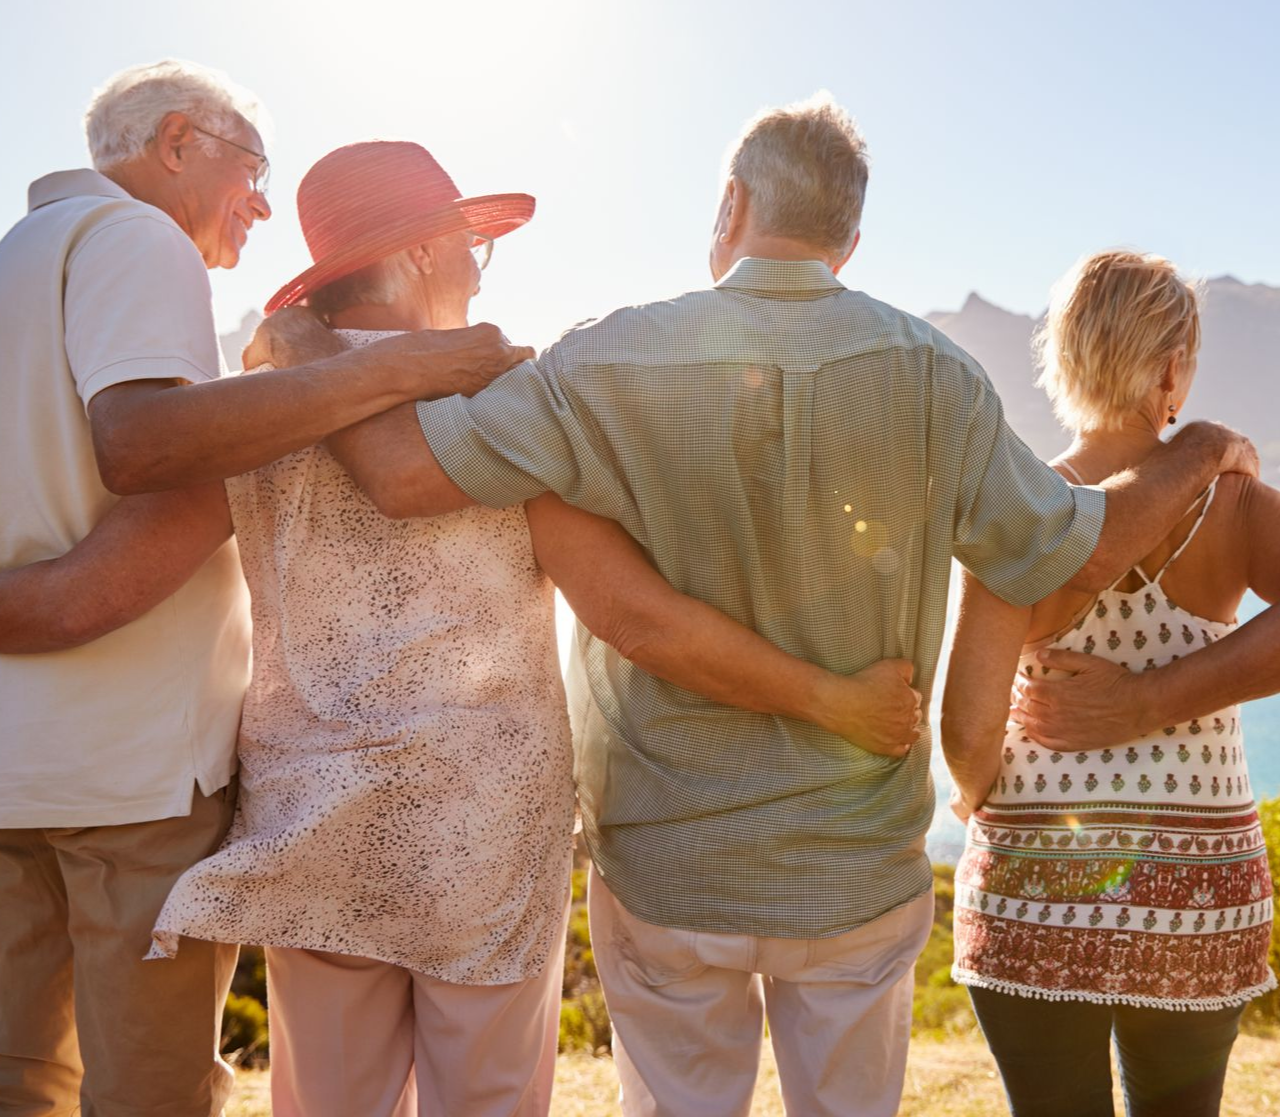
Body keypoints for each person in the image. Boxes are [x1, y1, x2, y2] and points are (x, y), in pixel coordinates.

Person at [251, 94, 1257, 1116]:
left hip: (665, 863)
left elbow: (406, 474)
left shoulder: (602, 360)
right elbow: (1067, 546)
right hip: (853, 867)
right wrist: (1189, 448)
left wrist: (312, 347)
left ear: (728, 204)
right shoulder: (936, 374)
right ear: (849, 238)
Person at [0, 139, 921, 1117]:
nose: (477, 274)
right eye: (470, 250)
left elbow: (96, 589)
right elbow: (627, 612)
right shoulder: (501, 402)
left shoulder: (253, 408)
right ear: (423, 255)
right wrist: (823, 694)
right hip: (482, 828)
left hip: (315, 824)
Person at [0, 62, 529, 1117]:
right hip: (129, 769)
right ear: (178, 142)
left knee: (21, 1082)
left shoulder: (15, 257)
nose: (254, 198)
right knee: (147, 1093)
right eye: (251, 167)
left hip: (17, 756)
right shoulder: (137, 239)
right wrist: (396, 371)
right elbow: (149, 451)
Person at [943, 250, 1279, 1117]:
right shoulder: (1234, 501)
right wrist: (1165, 698)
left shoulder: (1017, 507)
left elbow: (970, 734)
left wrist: (973, 796)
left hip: (1033, 886)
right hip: (1197, 899)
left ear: (1065, 358)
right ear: (1173, 369)